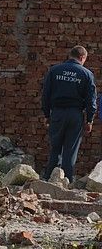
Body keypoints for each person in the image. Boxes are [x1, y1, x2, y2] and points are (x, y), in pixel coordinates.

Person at [41, 45, 97, 181]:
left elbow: (45, 95)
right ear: (82, 57)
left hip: (57, 113)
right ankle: (67, 180)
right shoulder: (86, 74)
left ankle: (49, 179)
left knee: (55, 148)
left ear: (70, 55)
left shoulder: (54, 70)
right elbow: (91, 100)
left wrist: (47, 115)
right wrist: (89, 120)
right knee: (70, 151)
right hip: (75, 115)